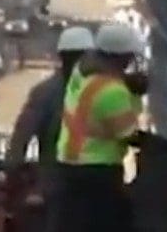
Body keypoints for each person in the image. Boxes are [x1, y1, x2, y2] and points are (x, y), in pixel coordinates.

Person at [51, 23, 147, 232]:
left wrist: (127, 83)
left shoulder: (81, 74)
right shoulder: (113, 92)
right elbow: (130, 136)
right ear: (123, 57)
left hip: (69, 166)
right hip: (97, 172)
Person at [5, 26, 94, 221]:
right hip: (69, 188)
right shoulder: (99, 92)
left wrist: (14, 174)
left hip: (65, 187)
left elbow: (21, 137)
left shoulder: (45, 92)